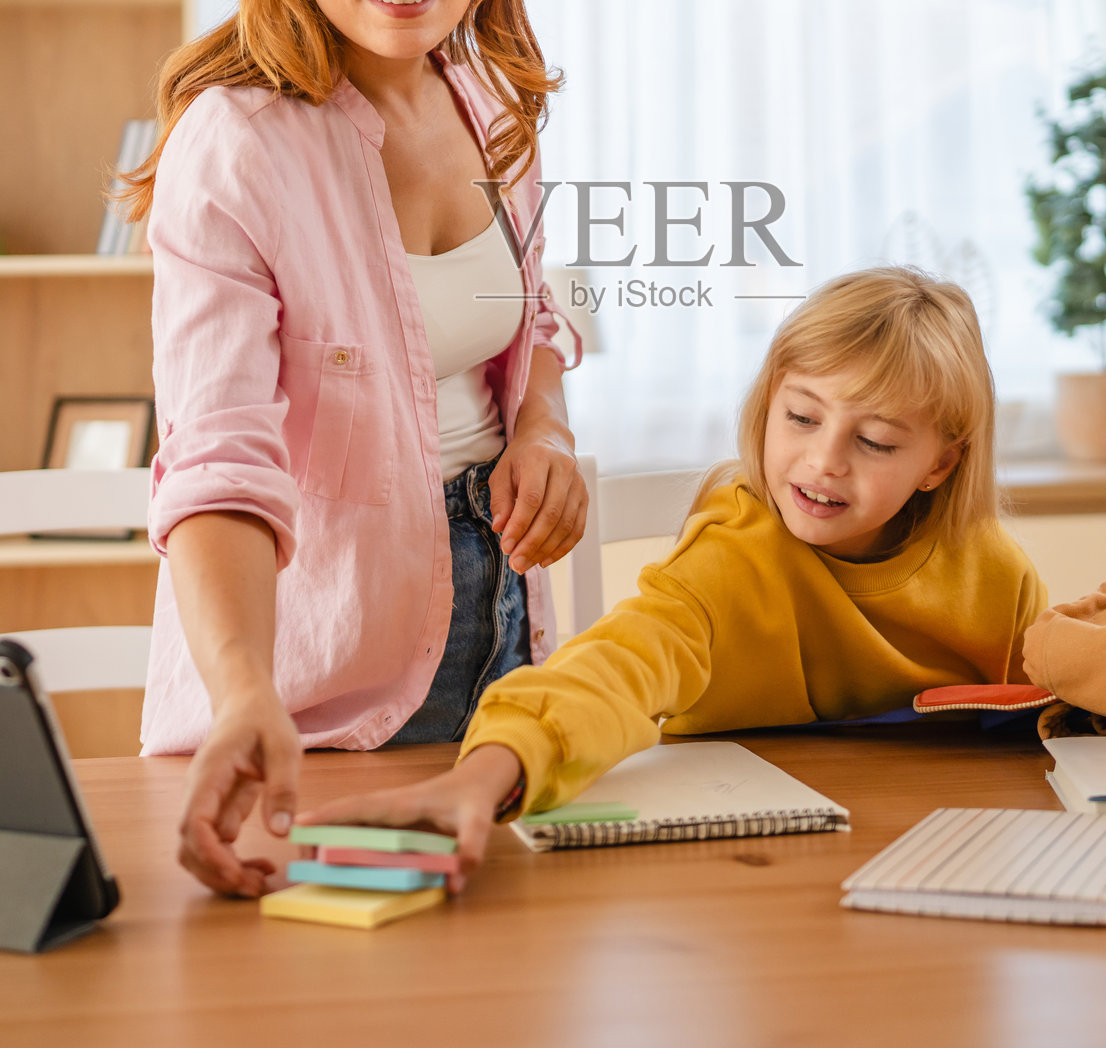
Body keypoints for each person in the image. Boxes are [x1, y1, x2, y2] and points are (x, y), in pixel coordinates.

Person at [126, 0, 587, 896]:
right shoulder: (235, 145)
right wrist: (244, 690)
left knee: (506, 958)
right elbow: (218, 456)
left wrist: (543, 427)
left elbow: (537, 313)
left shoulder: (491, 100)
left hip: (507, 631)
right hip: (312, 680)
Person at [299, 266, 1048, 891]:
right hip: (741, 874)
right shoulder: (736, 552)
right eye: (801, 417)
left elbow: (1045, 719)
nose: (824, 461)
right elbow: (615, 667)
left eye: (876, 441)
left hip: (930, 856)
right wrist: (481, 778)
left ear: (940, 464)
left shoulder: (995, 576)